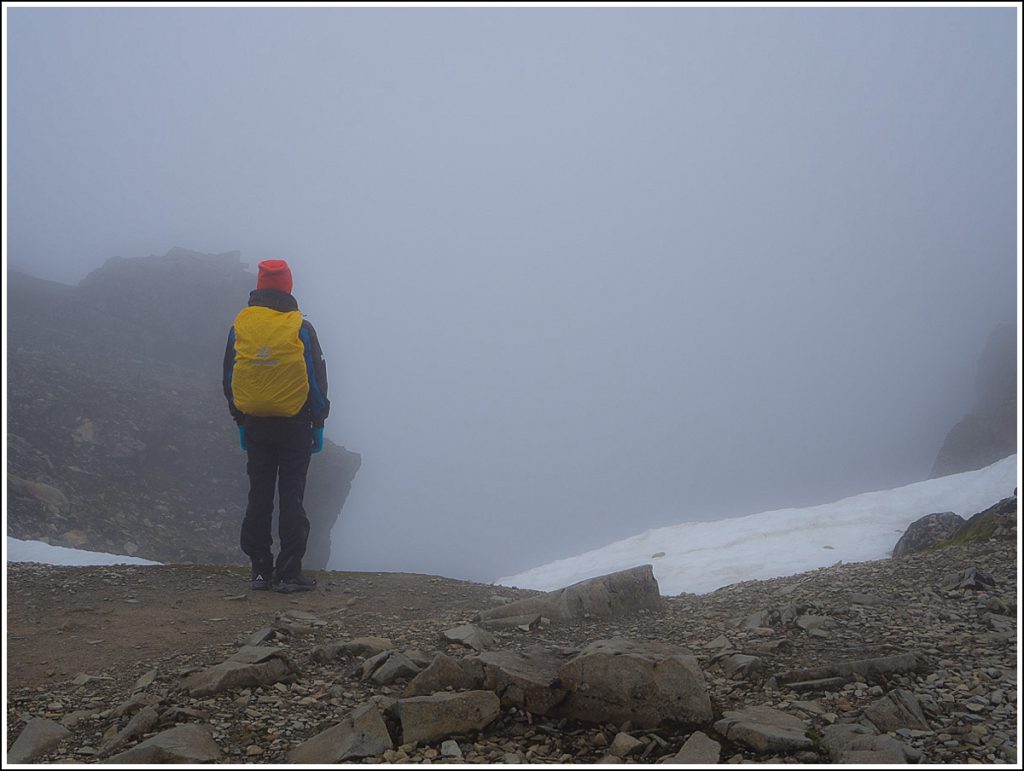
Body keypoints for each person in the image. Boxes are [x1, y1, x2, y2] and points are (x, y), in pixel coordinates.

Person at [222, 259, 330, 592]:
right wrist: (318, 422)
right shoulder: (300, 327)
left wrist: (240, 420)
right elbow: (315, 380)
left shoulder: (241, 326)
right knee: (291, 496)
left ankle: (259, 570)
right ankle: (288, 573)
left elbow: (229, 377)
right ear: (288, 287)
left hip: (256, 424)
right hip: (295, 424)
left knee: (260, 494)